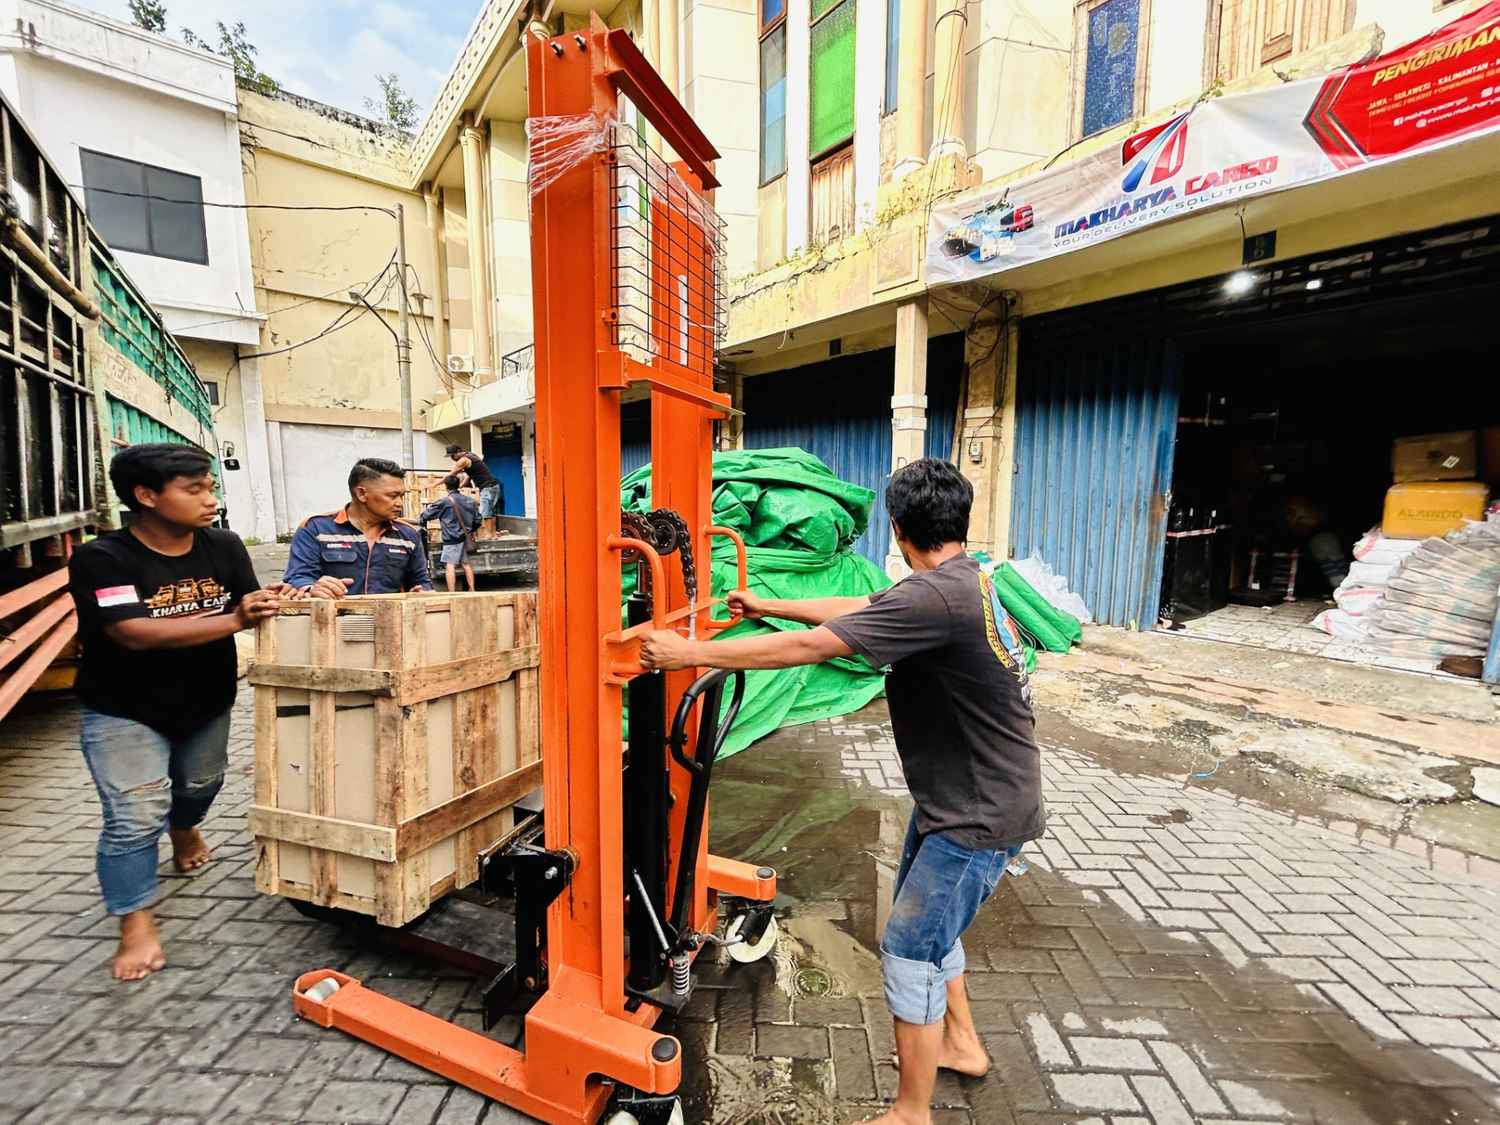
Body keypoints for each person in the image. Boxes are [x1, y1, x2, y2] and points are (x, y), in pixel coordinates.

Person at [640, 458, 1044, 1125]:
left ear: (896, 526)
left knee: (910, 947)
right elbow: (859, 609)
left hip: (977, 818)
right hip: (964, 802)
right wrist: (768, 602)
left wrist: (688, 656)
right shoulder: (965, 581)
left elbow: (811, 646)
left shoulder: (934, 597)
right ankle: (962, 1044)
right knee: (933, 932)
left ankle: (912, 1113)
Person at [67, 443, 281, 981]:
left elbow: (253, 604)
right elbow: (133, 632)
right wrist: (235, 621)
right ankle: (135, 923)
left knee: (198, 787)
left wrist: (296, 595)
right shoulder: (104, 558)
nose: (210, 499)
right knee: (134, 817)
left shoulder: (224, 545)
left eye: (210, 486)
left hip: (207, 702)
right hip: (123, 710)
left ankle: (184, 829)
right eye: (195, 489)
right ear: (146, 496)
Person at [283, 458, 432, 597]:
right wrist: (312, 588)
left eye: (402, 496)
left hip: (390, 621)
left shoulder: (409, 536)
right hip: (334, 621)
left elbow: (421, 581)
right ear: (361, 494)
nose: (399, 503)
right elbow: (297, 578)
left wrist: (421, 592)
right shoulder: (316, 529)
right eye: (392, 496)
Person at [420, 475, 479, 593]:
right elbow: (478, 520)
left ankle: (452, 593)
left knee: (450, 565)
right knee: (466, 564)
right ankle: (472, 590)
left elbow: (426, 516)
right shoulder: (470, 501)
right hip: (465, 538)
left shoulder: (444, 502)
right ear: (459, 485)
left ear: (446, 486)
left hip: (452, 538)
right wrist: (469, 531)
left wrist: (422, 519)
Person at [445, 444, 502, 540]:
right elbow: (469, 475)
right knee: (491, 511)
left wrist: (433, 485)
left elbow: (450, 475)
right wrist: (460, 486)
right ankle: (493, 534)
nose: (452, 458)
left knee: (486, 511)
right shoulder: (471, 455)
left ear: (459, 452)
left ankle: (489, 534)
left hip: (487, 487)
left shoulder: (463, 460)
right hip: (493, 486)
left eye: (452, 455)